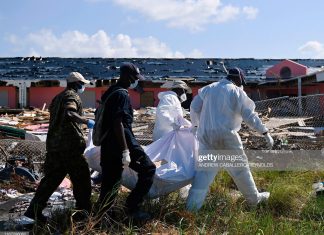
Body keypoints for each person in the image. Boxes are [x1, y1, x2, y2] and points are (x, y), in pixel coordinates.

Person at [186, 67, 274, 211]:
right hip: (227, 138)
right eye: (241, 81)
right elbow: (249, 116)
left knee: (204, 173)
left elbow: (194, 107)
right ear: (238, 78)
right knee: (240, 171)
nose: (242, 84)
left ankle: (191, 208)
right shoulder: (237, 92)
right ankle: (254, 201)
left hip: (207, 137)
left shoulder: (208, 89)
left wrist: (196, 126)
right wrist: (264, 132)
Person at [24, 72, 95, 222]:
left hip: (54, 146)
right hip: (69, 147)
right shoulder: (71, 96)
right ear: (76, 84)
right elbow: (70, 113)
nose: (83, 86)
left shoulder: (57, 98)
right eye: (82, 84)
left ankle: (33, 210)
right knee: (82, 179)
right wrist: (86, 121)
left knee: (50, 180)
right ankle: (84, 213)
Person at [98, 62, 156, 221]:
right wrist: (126, 150)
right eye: (134, 78)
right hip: (122, 143)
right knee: (149, 169)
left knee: (110, 181)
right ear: (126, 76)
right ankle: (132, 208)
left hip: (108, 145)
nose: (135, 81)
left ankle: (104, 217)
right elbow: (119, 123)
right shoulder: (122, 94)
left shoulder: (110, 91)